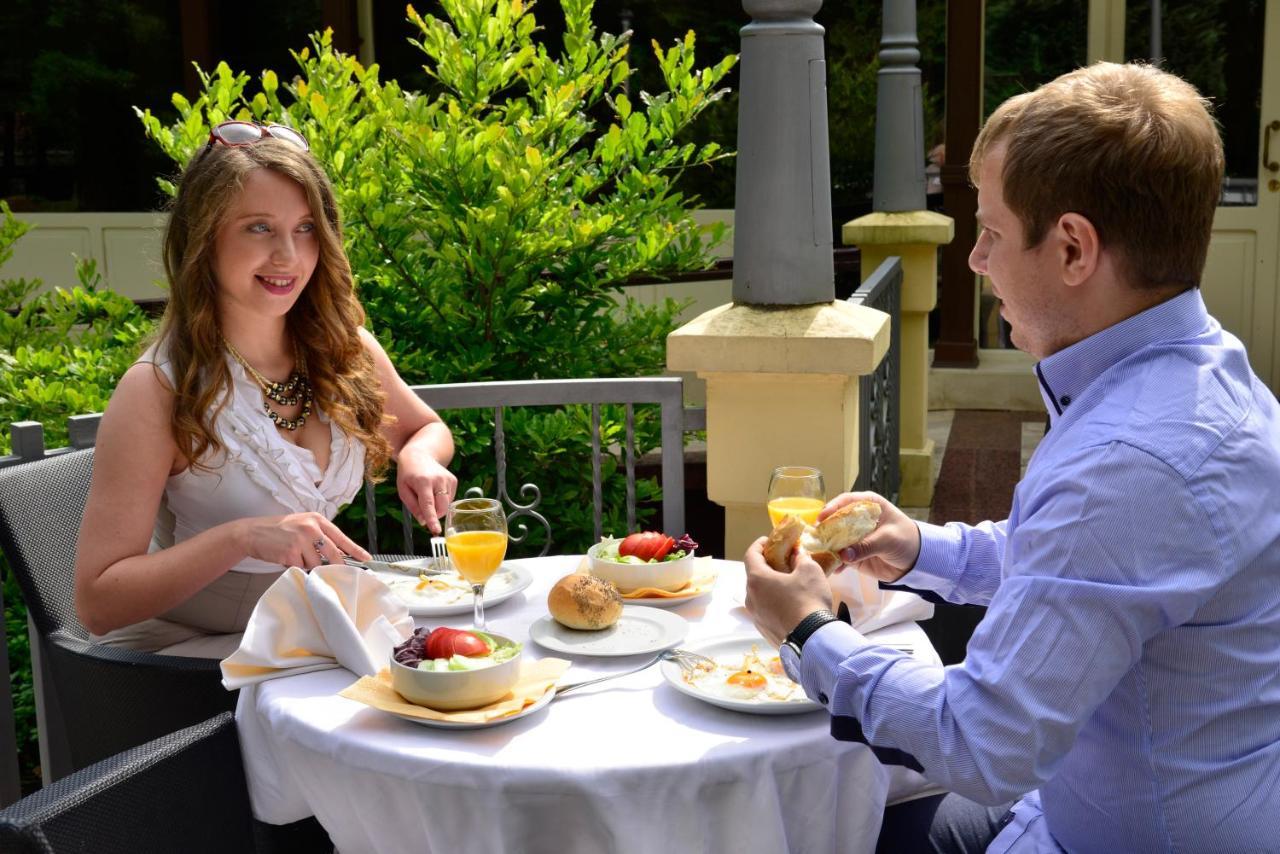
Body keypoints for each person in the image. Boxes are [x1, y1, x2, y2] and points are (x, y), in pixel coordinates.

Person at [744, 62, 1280, 853]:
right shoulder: (1197, 367)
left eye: (991, 232)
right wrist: (923, 548)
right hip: (1097, 799)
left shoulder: (1125, 464)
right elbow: (1089, 573)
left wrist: (805, 632)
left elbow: (983, 742)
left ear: (1072, 248)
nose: (975, 260)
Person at [73, 122, 457, 658]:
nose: (289, 256)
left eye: (305, 229)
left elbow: (426, 428)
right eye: (259, 228)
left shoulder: (346, 349)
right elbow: (97, 601)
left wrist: (419, 459)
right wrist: (244, 537)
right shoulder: (159, 388)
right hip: (190, 662)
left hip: (312, 629)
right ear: (202, 239)